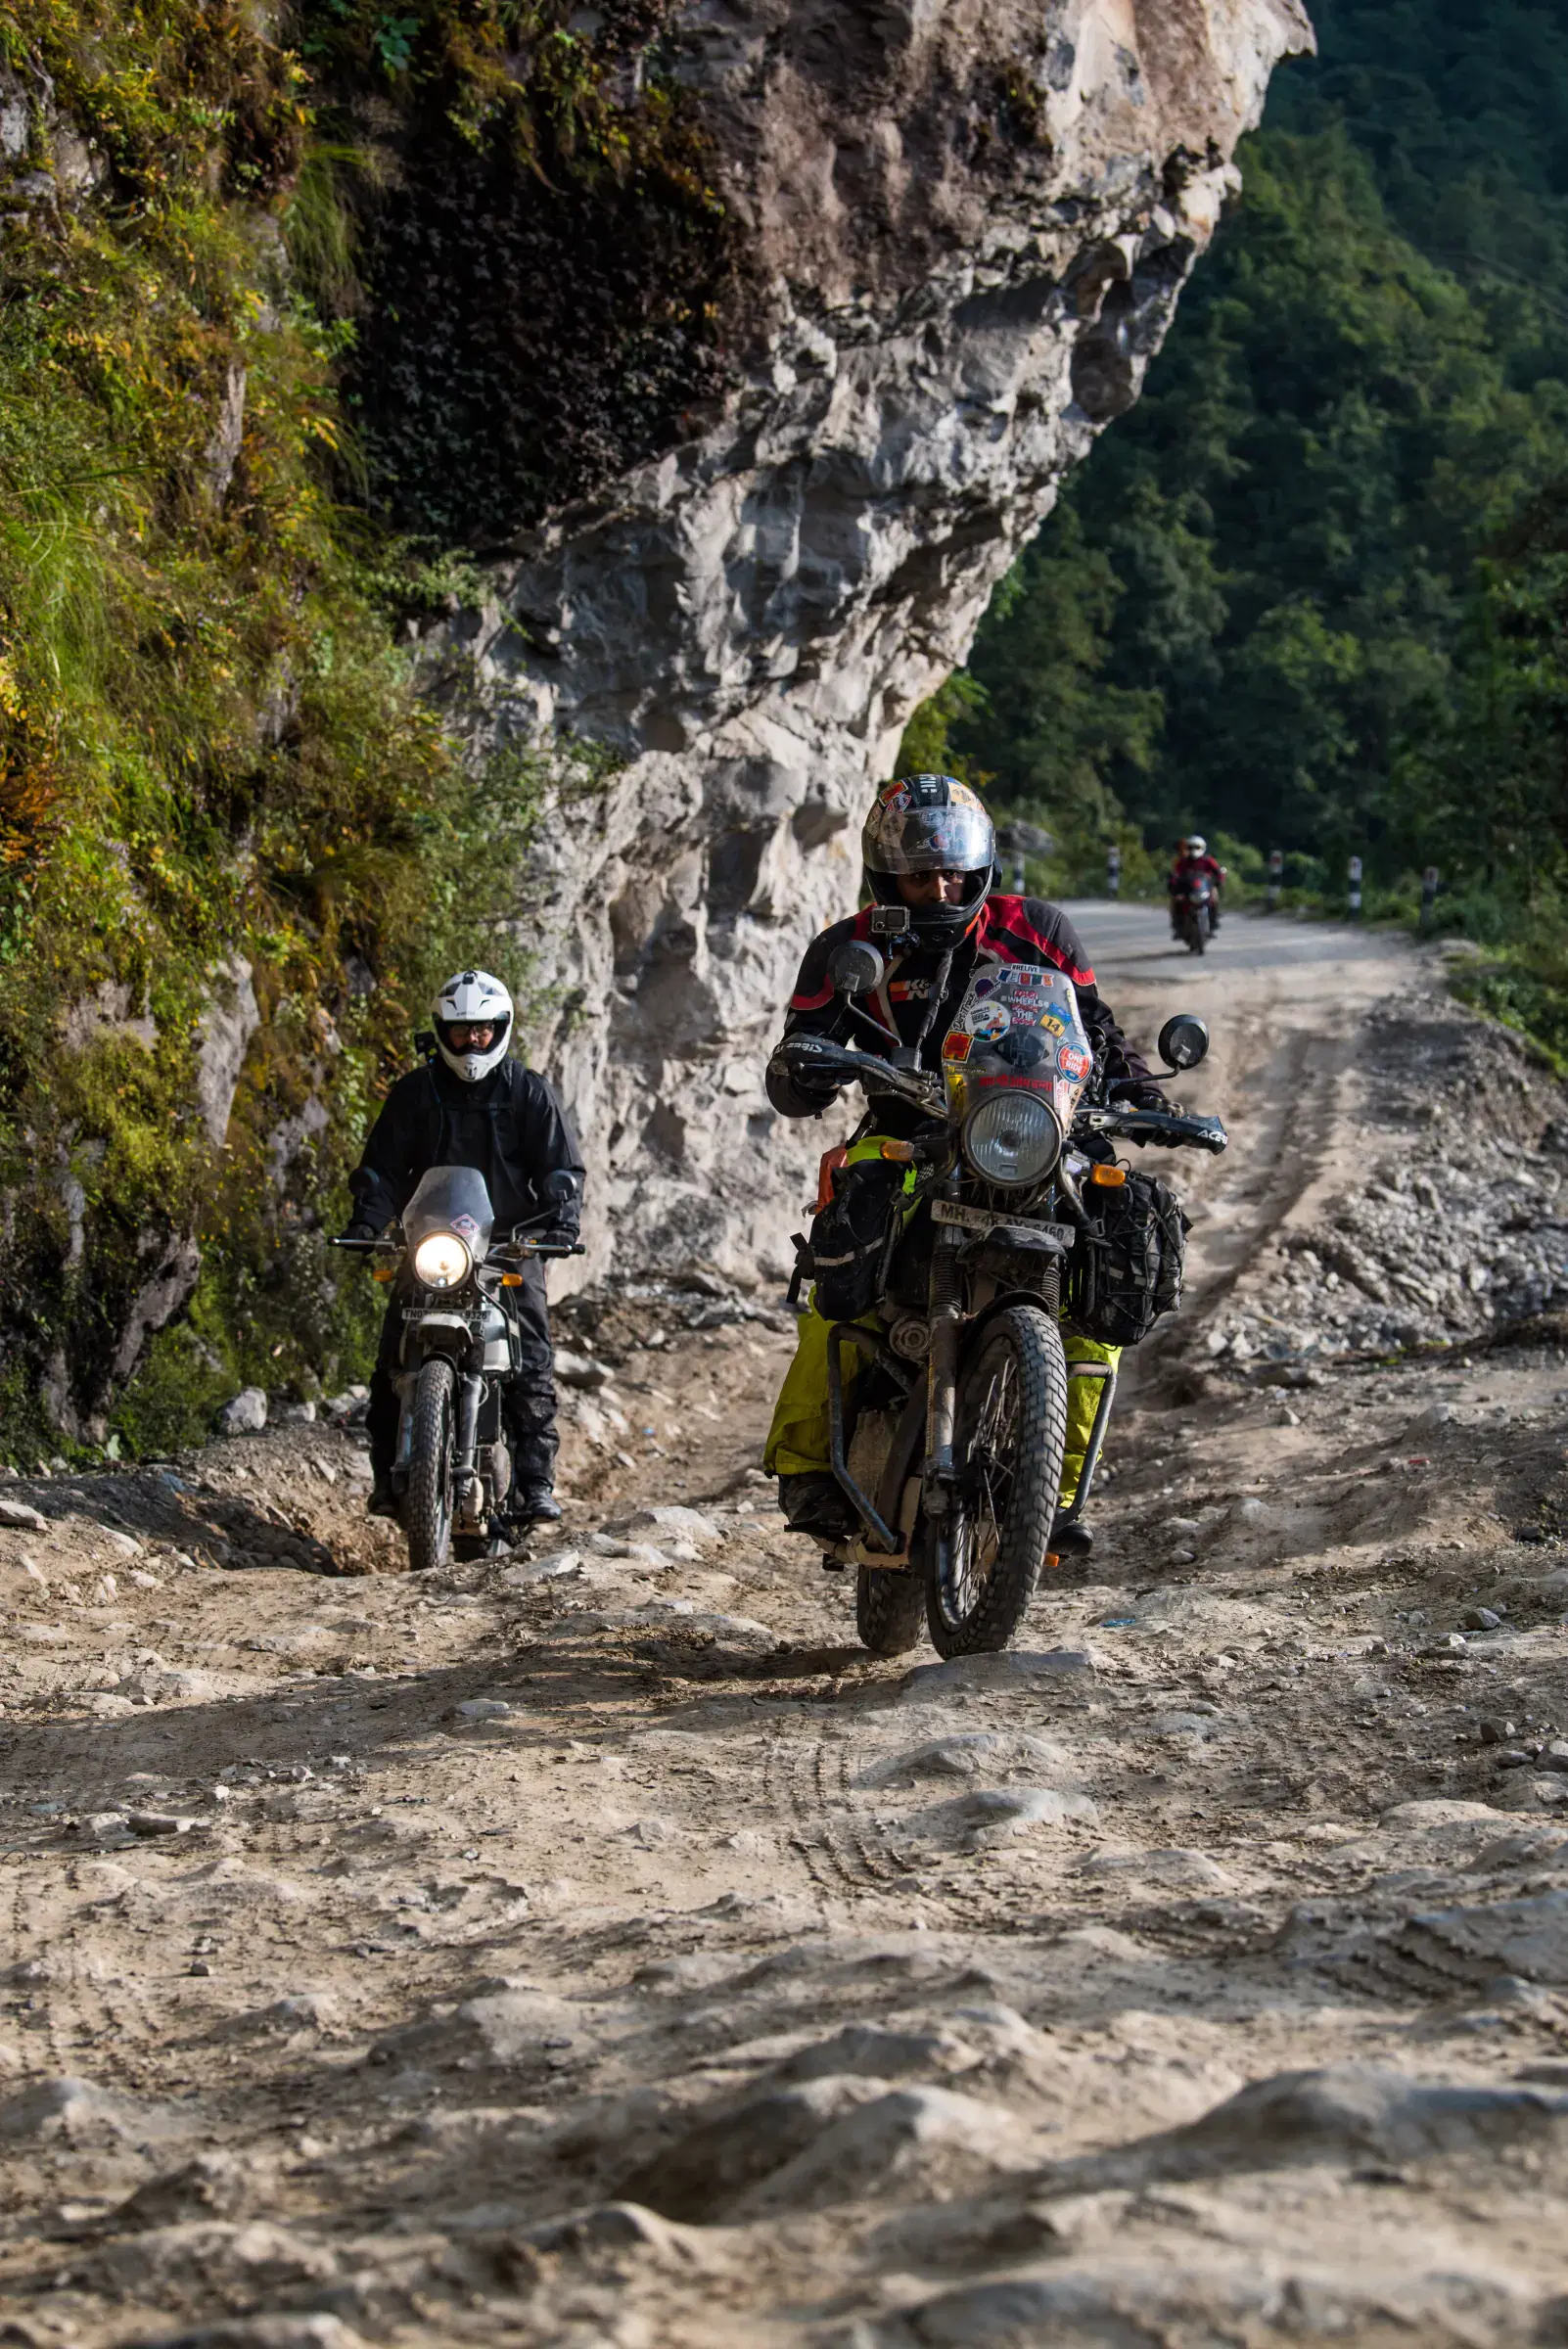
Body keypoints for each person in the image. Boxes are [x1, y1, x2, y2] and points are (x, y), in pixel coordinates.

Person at [762, 772, 1169, 1553]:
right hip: (906, 1132)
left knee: (1104, 1289)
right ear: (888, 874)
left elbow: (1099, 1032)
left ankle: (1053, 1491)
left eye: (952, 870)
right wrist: (803, 1068)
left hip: (1039, 1132)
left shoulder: (1037, 928)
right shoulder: (849, 949)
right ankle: (809, 1464)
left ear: (982, 867)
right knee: (837, 1274)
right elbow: (800, 1051)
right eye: (921, 873)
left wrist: (1148, 1097)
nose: (939, 885)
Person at [340, 969, 584, 1535]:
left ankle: (534, 1484)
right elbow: (379, 1171)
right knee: (389, 1362)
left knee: (532, 1361)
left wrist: (560, 1221)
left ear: (500, 1029)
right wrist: (368, 1220)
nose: (471, 1042)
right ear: (441, 1033)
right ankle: (389, 1478)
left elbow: (561, 1169)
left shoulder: (528, 1090)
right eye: (459, 1032)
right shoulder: (413, 1094)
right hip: (430, 1245)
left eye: (481, 1031)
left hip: (507, 1246)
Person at [1169, 834, 1226, 935]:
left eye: (1197, 847)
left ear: (1202, 848)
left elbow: (1217, 872)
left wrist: (1219, 880)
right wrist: (1173, 884)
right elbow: (1175, 874)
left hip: (1205, 887)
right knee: (1176, 900)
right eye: (1191, 847)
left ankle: (1213, 920)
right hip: (1187, 889)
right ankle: (1178, 924)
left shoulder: (1208, 860)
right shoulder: (1182, 862)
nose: (1194, 850)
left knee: (1214, 897)